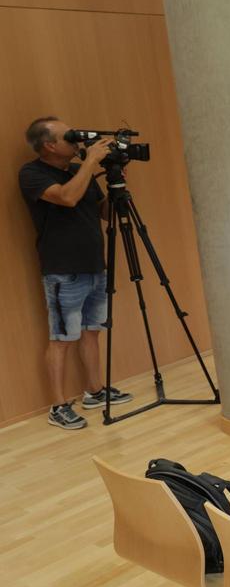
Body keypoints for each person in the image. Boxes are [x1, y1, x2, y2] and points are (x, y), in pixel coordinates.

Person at [18, 117, 133, 430]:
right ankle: (58, 406)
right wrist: (91, 162)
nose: (77, 142)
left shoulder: (76, 172)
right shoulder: (32, 173)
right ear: (49, 145)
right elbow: (66, 198)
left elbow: (103, 212)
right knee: (62, 338)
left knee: (92, 330)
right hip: (63, 269)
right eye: (69, 137)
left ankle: (95, 391)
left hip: (95, 264)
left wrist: (117, 182)